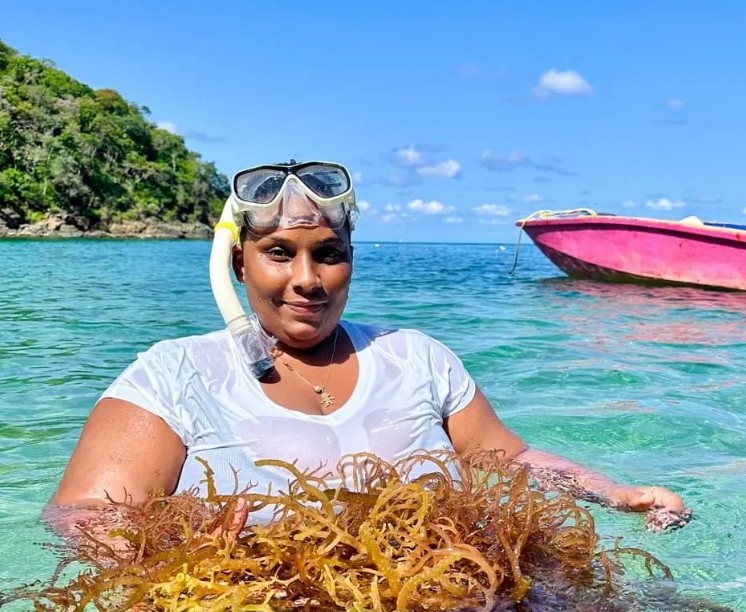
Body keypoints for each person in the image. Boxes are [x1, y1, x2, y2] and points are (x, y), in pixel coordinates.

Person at [50, 159, 690, 530]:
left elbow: (507, 459)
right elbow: (79, 519)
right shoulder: (174, 375)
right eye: (278, 254)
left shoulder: (414, 358)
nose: (307, 279)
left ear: (350, 260)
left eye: (328, 255)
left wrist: (615, 494)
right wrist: (179, 534)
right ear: (238, 265)